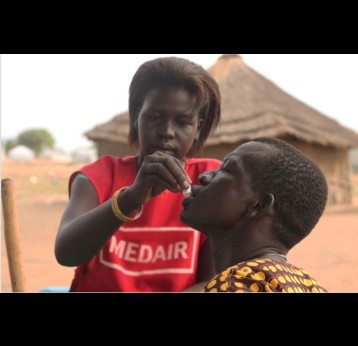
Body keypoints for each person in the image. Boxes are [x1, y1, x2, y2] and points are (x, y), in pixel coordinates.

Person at [54, 56, 221, 292]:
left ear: (198, 128)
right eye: (154, 117)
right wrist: (131, 197)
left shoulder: (209, 180)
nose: (166, 132)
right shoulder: (97, 177)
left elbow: (212, 282)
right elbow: (66, 253)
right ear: (135, 118)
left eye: (182, 122)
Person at [180, 137, 328, 292]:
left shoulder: (233, 286)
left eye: (227, 169)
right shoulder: (310, 286)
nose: (204, 176)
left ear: (258, 205)